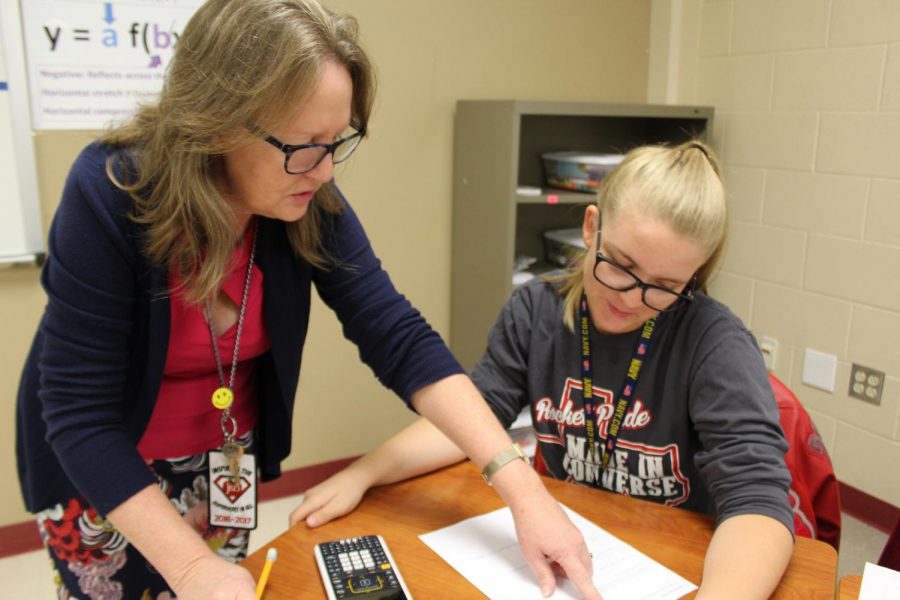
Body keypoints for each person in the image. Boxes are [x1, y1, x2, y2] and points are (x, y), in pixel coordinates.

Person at [15, 1, 599, 598]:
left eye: (336, 141)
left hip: (224, 459)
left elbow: (397, 337)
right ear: (216, 121)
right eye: (303, 145)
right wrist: (190, 568)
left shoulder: (305, 200)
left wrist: (523, 491)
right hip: (105, 465)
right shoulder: (111, 194)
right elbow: (78, 414)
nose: (323, 172)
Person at [290, 140, 797, 598]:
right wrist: (366, 471)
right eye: (619, 264)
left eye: (664, 286)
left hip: (674, 563)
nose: (630, 296)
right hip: (561, 547)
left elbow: (759, 505)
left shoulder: (715, 343)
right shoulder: (535, 311)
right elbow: (473, 420)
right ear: (591, 226)